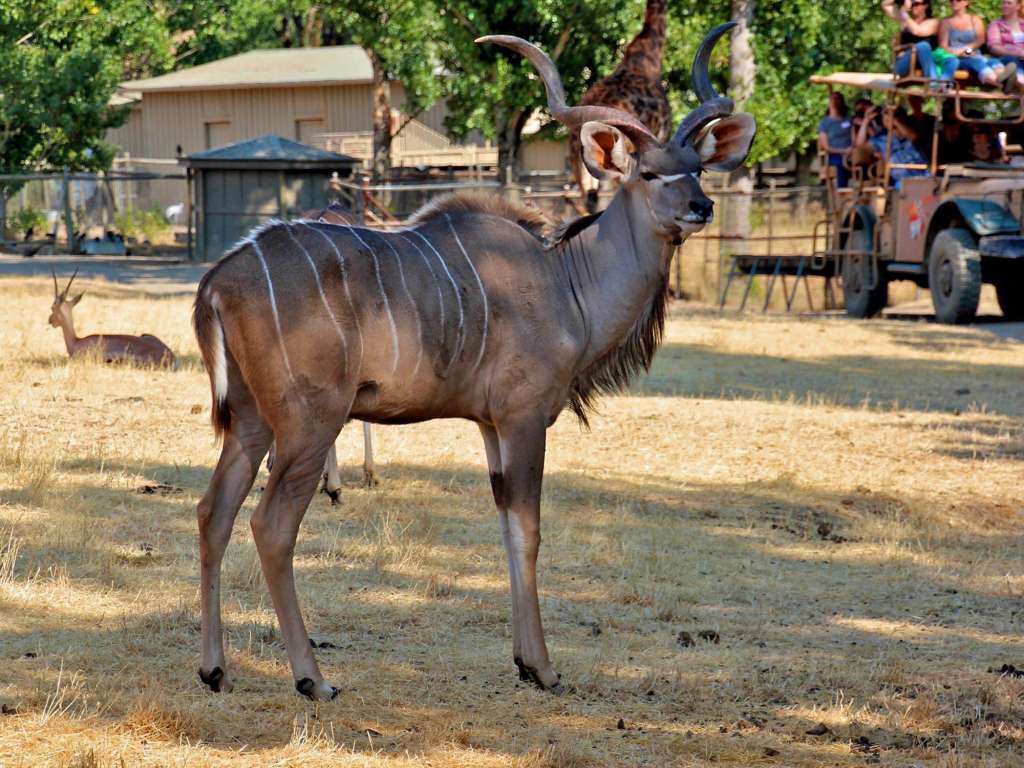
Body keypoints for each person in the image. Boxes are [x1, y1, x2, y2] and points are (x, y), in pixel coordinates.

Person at [939, 0, 1017, 91]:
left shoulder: (975, 19)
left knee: (992, 61)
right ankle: (999, 83)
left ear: (966, 2)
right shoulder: (946, 22)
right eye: (951, 0)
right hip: (958, 59)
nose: (954, 2)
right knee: (977, 63)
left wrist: (967, 51)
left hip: (975, 55)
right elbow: (943, 47)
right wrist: (961, 53)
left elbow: (980, 40)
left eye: (958, 0)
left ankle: (1004, 79)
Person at [853, 104, 929, 188]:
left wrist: (895, 121)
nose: (889, 118)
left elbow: (913, 137)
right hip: (901, 180)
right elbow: (860, 145)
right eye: (886, 115)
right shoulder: (880, 139)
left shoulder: (911, 130)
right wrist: (866, 120)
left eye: (895, 114)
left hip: (924, 174)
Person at [883, 0, 942, 81]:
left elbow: (917, 31)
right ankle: (934, 83)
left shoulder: (934, 22)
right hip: (904, 64)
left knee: (923, 46)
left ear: (926, 5)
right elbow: (885, 5)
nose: (913, 6)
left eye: (916, 4)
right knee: (921, 46)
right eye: (912, 3)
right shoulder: (906, 20)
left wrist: (904, 12)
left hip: (925, 62)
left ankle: (933, 82)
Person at [987, 0, 1024, 92]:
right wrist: (1018, 52)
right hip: (1007, 59)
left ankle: (1011, 80)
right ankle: (1014, 79)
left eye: (1009, 3)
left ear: (1018, 6)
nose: (1004, 5)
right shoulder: (996, 24)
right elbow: (994, 47)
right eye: (1003, 3)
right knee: (995, 61)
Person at [818, 92, 854, 187]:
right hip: (835, 155)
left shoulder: (848, 120)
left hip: (851, 153)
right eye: (833, 99)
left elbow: (854, 136)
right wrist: (843, 151)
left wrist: (851, 148)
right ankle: (841, 191)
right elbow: (826, 147)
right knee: (841, 164)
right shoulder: (824, 123)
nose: (835, 101)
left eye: (838, 99)